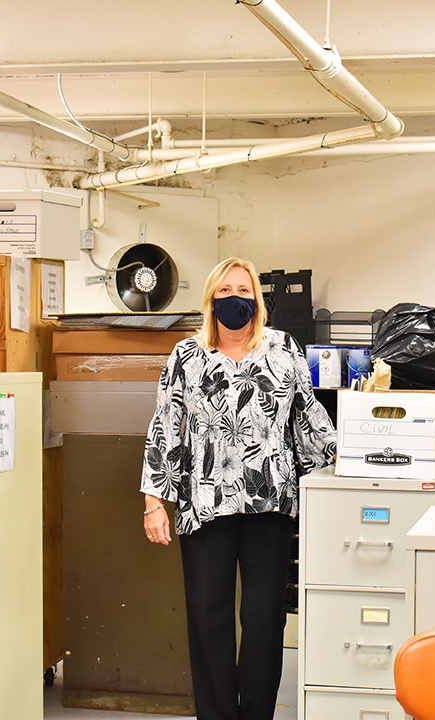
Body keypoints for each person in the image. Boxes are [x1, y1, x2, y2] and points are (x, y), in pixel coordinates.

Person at [140, 257, 336, 720]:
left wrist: (347, 460)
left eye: (243, 291)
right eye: (225, 291)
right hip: (205, 504)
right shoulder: (186, 356)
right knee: (208, 619)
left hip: (270, 504)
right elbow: (166, 426)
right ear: (211, 300)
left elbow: (307, 416)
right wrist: (154, 501)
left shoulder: (283, 349)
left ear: (257, 300)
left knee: (265, 620)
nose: (235, 299)